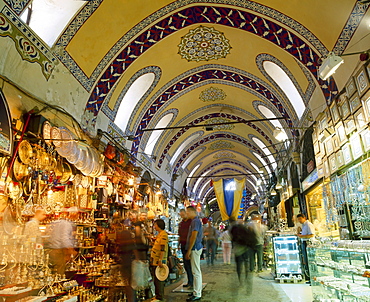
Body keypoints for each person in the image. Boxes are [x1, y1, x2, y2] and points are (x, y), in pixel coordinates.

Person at [46, 207, 78, 275]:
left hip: (52, 250)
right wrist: (70, 250)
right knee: (59, 272)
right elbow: (64, 239)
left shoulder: (56, 222)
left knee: (53, 271)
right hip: (59, 251)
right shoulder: (67, 224)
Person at [230, 219, 257, 283]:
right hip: (245, 249)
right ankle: (247, 277)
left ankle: (240, 279)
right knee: (246, 264)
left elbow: (232, 238)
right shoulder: (246, 230)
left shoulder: (235, 230)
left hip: (238, 250)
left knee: (239, 266)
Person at [185, 206, 203, 301]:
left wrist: (189, 250)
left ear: (192, 212)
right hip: (196, 247)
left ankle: (197, 293)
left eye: (187, 212)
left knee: (196, 272)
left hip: (195, 248)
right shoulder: (196, 221)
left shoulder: (195, 221)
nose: (186, 214)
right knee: (195, 271)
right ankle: (196, 291)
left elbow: (194, 235)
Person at [150, 219, 169, 302]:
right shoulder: (160, 234)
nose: (154, 226)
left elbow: (162, 248)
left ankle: (160, 296)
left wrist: (160, 260)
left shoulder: (164, 235)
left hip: (159, 260)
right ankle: (158, 295)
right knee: (156, 278)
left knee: (159, 278)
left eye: (155, 225)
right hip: (155, 259)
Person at [296, 213, 315, 281]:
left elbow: (312, 235)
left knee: (309, 260)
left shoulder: (308, 225)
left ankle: (312, 277)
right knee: (306, 260)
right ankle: (308, 276)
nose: (299, 220)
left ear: (304, 218)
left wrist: (302, 236)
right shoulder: (303, 225)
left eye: (300, 219)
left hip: (308, 243)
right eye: (298, 219)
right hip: (304, 242)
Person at [178, 209, 193, 288]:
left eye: (183, 215)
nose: (182, 216)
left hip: (189, 245)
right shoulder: (181, 224)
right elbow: (179, 234)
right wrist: (178, 243)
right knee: (186, 264)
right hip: (183, 245)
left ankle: (192, 281)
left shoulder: (191, 222)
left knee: (191, 264)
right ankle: (190, 281)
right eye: (181, 215)